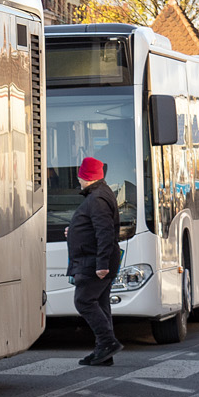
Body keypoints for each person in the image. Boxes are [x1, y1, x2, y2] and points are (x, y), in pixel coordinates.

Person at [66, 156, 122, 366]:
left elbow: (105, 232)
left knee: (84, 301)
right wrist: (73, 231)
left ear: (85, 177)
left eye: (80, 176)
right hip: (94, 259)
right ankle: (103, 352)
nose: (78, 180)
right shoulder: (100, 194)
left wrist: (102, 265)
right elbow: (95, 228)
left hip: (93, 262)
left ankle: (107, 343)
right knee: (100, 302)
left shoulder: (97, 198)